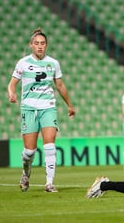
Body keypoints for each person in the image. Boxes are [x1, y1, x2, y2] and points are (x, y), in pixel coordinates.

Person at [7, 28, 75, 193]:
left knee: (50, 145)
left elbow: (60, 85)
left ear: (46, 45)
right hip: (29, 108)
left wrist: (69, 105)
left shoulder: (53, 63)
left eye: (42, 43)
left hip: (48, 107)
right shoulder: (23, 63)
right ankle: (25, 172)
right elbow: (12, 82)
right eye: (36, 43)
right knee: (29, 152)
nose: (40, 46)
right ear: (31, 45)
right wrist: (12, 93)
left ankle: (49, 183)